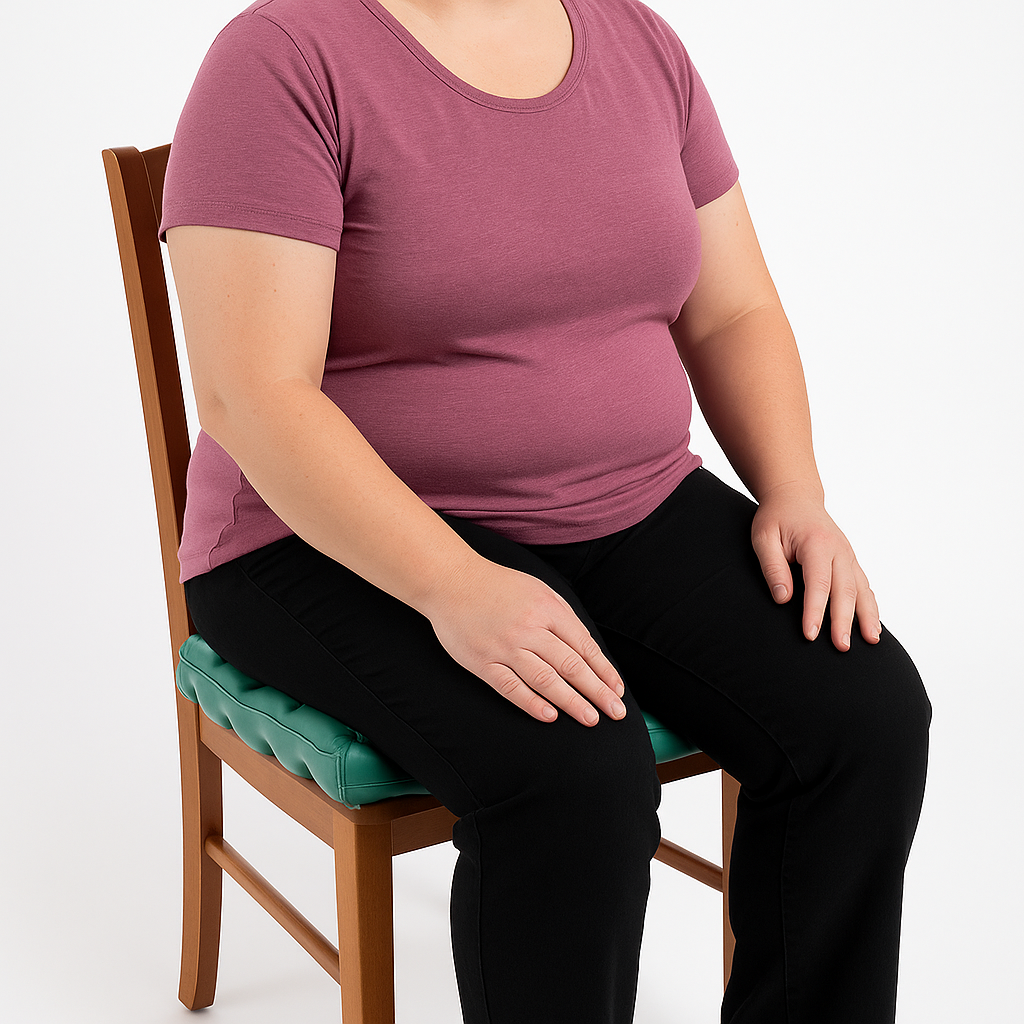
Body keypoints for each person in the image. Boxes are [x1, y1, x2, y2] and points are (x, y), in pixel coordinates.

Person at [159, 0, 932, 1021]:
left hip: (629, 500)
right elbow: (253, 392)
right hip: (319, 539)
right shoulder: (283, 57)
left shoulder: (637, 42)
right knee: (572, 776)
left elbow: (732, 307)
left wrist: (793, 490)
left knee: (862, 715)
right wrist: (453, 584)